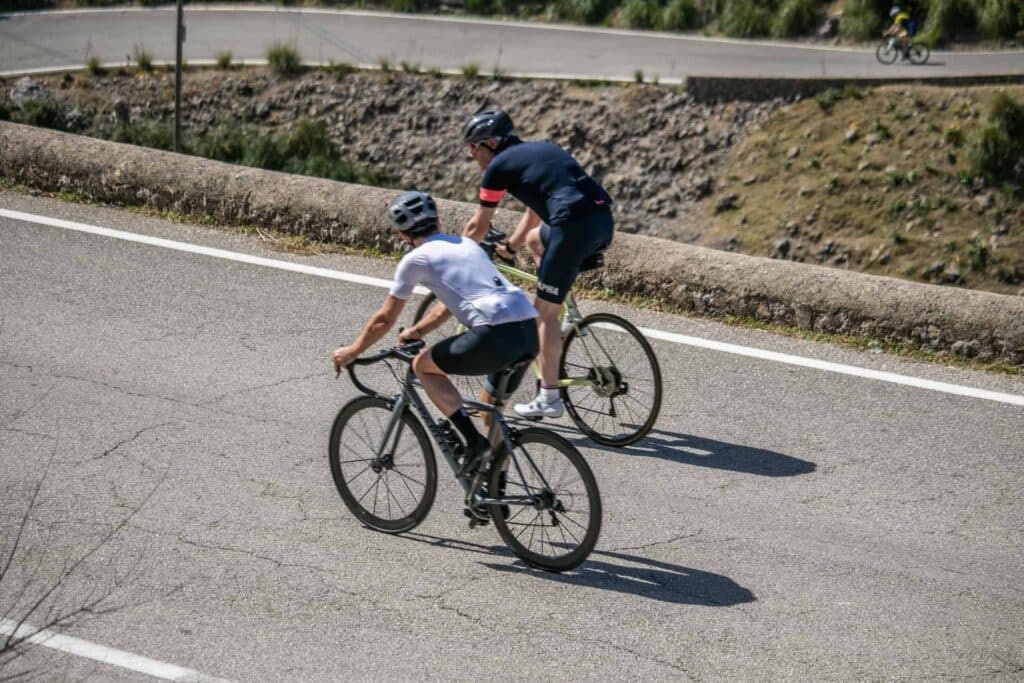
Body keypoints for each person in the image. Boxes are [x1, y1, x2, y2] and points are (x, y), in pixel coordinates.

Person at [332, 190, 538, 480]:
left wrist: (352, 350)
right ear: (436, 221)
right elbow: (447, 305)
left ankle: (473, 442)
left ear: (403, 234)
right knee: (490, 410)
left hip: (494, 332)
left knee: (422, 367)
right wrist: (417, 331)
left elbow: (385, 318)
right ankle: (496, 492)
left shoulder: (416, 259)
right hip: (529, 329)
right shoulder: (466, 244)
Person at [460, 108, 614, 419]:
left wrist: (458, 257)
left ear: (490, 143)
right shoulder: (538, 150)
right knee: (535, 239)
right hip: (602, 221)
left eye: (473, 147)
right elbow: (534, 212)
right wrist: (510, 247)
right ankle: (570, 313)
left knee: (541, 315)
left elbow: (478, 226)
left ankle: (549, 397)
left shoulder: (499, 167)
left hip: (572, 228)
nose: (471, 155)